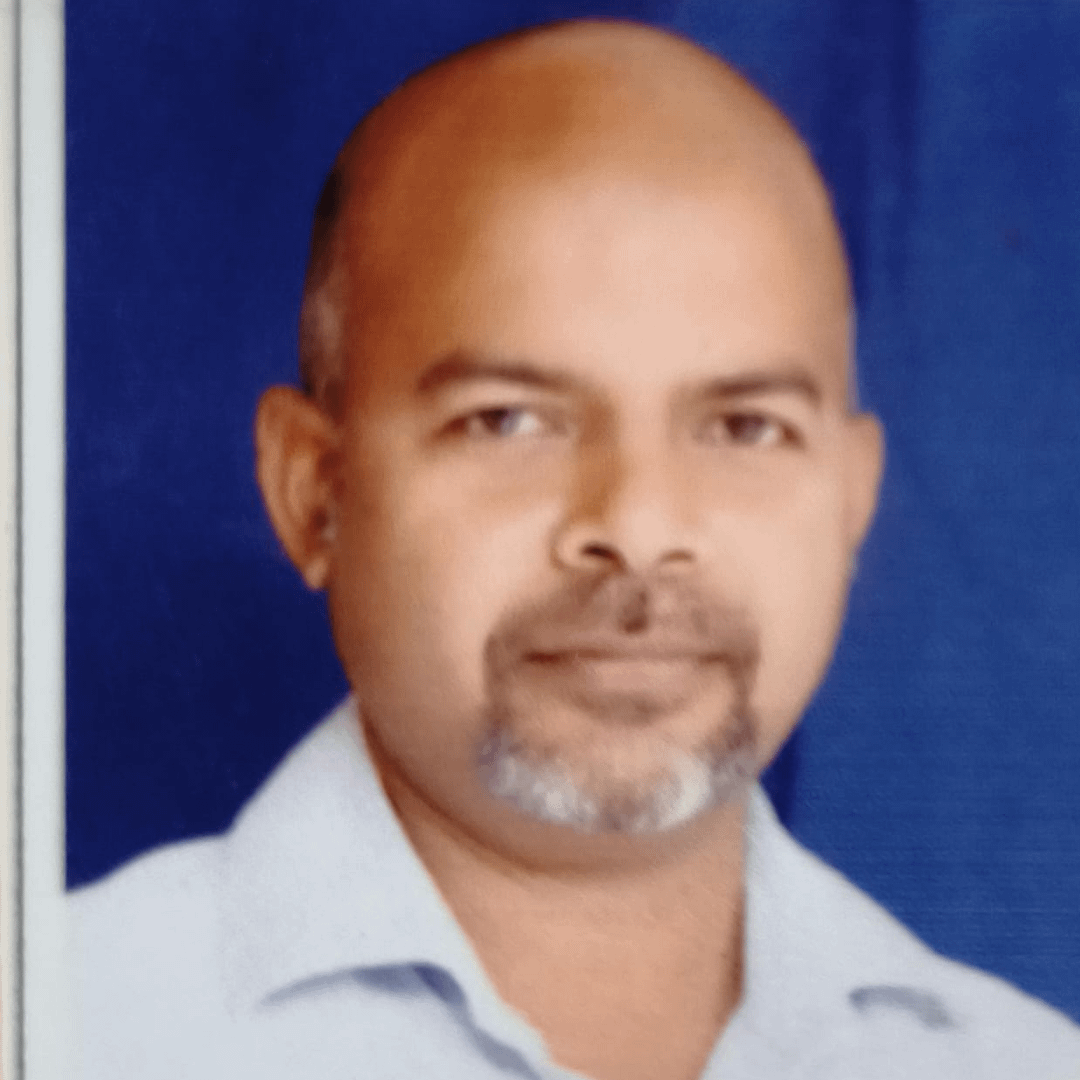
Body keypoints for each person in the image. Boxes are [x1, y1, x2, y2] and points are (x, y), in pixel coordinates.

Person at [69, 18, 1080, 1080]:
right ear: (313, 492)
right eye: (509, 421)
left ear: (850, 501)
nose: (639, 528)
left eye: (744, 427)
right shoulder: (74, 1023)